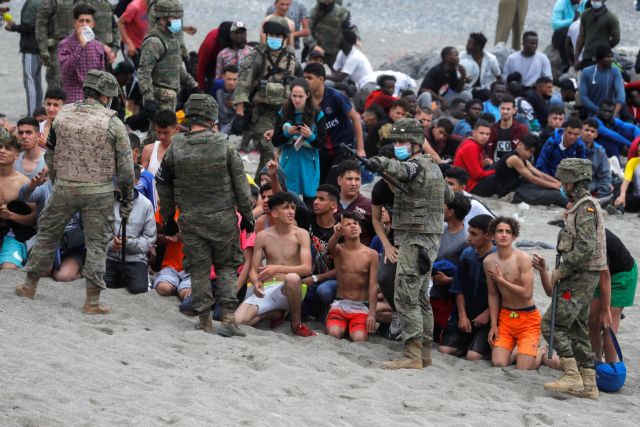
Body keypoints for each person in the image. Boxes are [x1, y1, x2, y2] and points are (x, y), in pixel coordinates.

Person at [16, 70, 135, 314]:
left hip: (64, 187)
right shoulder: (113, 122)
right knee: (97, 245)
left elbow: (51, 151)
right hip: (99, 192)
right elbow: (125, 168)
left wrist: (58, 181)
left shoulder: (63, 115)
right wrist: (126, 200)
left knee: (48, 236)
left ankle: (29, 285)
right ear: (105, 96)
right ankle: (91, 301)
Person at [156, 94, 254, 337]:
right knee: (227, 267)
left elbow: (163, 183)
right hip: (223, 218)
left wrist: (169, 219)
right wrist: (248, 216)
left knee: (199, 268)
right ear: (211, 117)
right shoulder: (224, 144)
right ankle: (229, 318)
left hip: (191, 218)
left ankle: (204, 320)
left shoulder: (176, 146)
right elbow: (241, 184)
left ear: (189, 117)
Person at [366, 118, 454, 369]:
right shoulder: (434, 167)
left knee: (405, 296)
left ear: (416, 143)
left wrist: (380, 163)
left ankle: (412, 353)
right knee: (420, 298)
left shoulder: (415, 166)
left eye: (402, 141)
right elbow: (449, 196)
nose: (397, 145)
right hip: (429, 239)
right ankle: (424, 352)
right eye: (395, 141)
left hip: (415, 239)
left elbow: (404, 171)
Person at [542, 158, 606, 399]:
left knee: (551, 324)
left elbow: (585, 248)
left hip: (579, 275)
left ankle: (571, 374)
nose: (561, 185)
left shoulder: (585, 208)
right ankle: (589, 383)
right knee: (578, 327)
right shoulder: (580, 205)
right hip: (583, 275)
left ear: (570, 181)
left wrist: (563, 270)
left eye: (563, 181)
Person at [235, 191, 317, 337]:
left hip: (291, 290)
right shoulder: (263, 236)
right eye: (286, 208)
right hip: (267, 287)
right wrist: (255, 282)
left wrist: (277, 268)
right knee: (238, 320)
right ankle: (273, 314)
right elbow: (254, 270)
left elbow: (306, 268)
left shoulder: (301, 234)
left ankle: (296, 324)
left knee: (292, 277)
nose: (291, 211)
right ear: (274, 213)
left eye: (292, 207)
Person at [232, 15, 297, 179]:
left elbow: (294, 84)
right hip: (260, 113)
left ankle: (261, 186)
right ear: (266, 35)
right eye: (271, 35)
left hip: (282, 113)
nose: (274, 39)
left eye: (278, 36)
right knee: (269, 150)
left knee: (273, 155)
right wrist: (239, 114)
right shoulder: (256, 55)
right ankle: (264, 187)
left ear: (284, 37)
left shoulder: (290, 56)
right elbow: (243, 84)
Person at [138, 0, 200, 144]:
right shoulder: (154, 41)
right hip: (158, 98)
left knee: (162, 140)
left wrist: (193, 85)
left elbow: (177, 67)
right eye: (174, 18)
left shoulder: (172, 39)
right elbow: (144, 72)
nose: (178, 22)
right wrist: (148, 98)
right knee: (158, 140)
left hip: (170, 98)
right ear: (162, 17)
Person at [485, 217, 540, 370]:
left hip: (528, 318)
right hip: (506, 317)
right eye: (500, 231)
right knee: (498, 363)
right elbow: (493, 294)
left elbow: (527, 294)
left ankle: (539, 352)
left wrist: (501, 281)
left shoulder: (523, 259)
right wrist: (493, 324)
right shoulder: (489, 261)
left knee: (524, 368)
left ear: (514, 236)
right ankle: (520, 351)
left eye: (508, 232)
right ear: (493, 236)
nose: (503, 235)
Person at [438, 214, 495, 361]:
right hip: (466, 315)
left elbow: (502, 295)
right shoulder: (467, 254)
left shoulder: (497, 258)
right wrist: (462, 316)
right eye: (469, 232)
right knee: (445, 349)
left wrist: (487, 314)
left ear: (489, 235)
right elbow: (458, 288)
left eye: (474, 234)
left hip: (488, 319)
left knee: (473, 356)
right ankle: (468, 342)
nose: (469, 237)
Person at [303, 62, 365, 185]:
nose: (306, 81)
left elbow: (356, 118)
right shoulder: (304, 99)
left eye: (309, 78)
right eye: (304, 78)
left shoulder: (335, 97)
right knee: (318, 187)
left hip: (343, 149)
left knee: (331, 186)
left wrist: (360, 149)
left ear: (321, 79)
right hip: (322, 150)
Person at [36, 0, 119, 89]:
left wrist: (112, 49)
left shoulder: (95, 4)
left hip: (84, 48)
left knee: (89, 83)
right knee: (57, 84)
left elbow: (93, 28)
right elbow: (41, 23)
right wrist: (43, 50)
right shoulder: (53, 2)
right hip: (59, 48)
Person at [272, 78, 326, 203]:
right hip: (289, 162)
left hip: (309, 163)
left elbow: (322, 143)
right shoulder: (284, 112)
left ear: (307, 95)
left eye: (300, 96)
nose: (297, 100)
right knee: (288, 201)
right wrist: (288, 133)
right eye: (294, 96)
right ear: (290, 95)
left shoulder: (317, 114)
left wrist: (310, 135)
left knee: (310, 201)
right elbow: (275, 141)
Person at [326, 211, 378, 341]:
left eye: (355, 223)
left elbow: (373, 286)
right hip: (340, 304)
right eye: (348, 224)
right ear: (342, 230)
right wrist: (336, 234)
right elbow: (329, 248)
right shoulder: (338, 250)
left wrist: (372, 314)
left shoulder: (371, 254)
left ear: (360, 229)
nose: (353, 226)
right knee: (334, 333)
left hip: (361, 306)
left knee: (359, 338)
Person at [104, 168, 156, 295]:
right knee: (103, 286)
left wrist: (129, 243)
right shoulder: (106, 201)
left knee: (139, 289)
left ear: (136, 181)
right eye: (117, 177)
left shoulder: (146, 205)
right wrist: (112, 244)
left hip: (135, 259)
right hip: (110, 257)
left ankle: (145, 274)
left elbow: (150, 238)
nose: (118, 182)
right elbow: (99, 233)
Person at [589, 229, 637, 363]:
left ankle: (611, 368)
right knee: (592, 321)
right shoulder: (572, 233)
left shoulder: (597, 238)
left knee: (608, 327)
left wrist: (605, 310)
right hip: (601, 273)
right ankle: (595, 363)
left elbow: (605, 277)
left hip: (623, 275)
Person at [431, 192, 471, 342]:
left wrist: (447, 280)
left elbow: (467, 275)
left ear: (451, 211)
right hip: (434, 288)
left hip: (451, 296)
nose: (439, 208)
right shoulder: (441, 230)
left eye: (443, 205)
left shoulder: (465, 239)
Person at [296, 183, 338, 317]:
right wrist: (274, 176)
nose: (316, 202)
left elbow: (342, 268)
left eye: (321, 199)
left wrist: (315, 278)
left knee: (323, 292)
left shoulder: (339, 231)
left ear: (333, 205)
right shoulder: (306, 218)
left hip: (328, 280)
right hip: (305, 278)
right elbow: (282, 199)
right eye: (315, 198)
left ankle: (324, 308)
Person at [494, 134, 567, 207]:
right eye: (526, 149)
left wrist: (558, 183)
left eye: (531, 152)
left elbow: (540, 174)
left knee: (554, 189)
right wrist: (556, 186)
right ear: (519, 144)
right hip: (510, 195)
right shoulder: (514, 158)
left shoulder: (522, 158)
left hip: (519, 188)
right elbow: (533, 179)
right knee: (556, 195)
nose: (527, 154)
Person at [58, 4, 108, 104]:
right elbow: (66, 71)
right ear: (75, 23)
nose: (85, 25)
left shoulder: (98, 46)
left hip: (93, 99)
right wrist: (80, 46)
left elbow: (101, 75)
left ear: (93, 24)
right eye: (81, 21)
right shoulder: (65, 44)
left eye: (88, 21)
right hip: (73, 98)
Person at [3, 0, 43, 116]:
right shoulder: (41, 2)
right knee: (37, 82)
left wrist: (13, 27)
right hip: (40, 47)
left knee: (30, 82)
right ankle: (38, 112)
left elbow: (27, 27)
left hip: (30, 48)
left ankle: (31, 114)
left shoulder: (31, 4)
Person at [0, 131, 31, 270]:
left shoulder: (23, 183)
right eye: (0, 147)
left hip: (12, 235)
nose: (2, 151)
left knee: (8, 268)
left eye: (7, 148)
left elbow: (34, 219)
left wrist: (10, 215)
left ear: (17, 155)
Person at [578, 45, 626, 117]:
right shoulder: (586, 72)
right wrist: (598, 111)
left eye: (611, 56)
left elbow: (621, 95)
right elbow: (583, 96)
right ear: (599, 58)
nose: (611, 59)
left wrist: (614, 113)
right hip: (593, 115)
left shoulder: (615, 71)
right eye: (608, 57)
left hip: (611, 115)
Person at [335, 160, 374, 246]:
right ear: (339, 180)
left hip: (361, 258)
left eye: (357, 179)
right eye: (349, 179)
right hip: (331, 255)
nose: (353, 183)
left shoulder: (370, 206)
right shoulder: (329, 202)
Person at [453, 120, 496, 196]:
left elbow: (470, 167)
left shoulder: (472, 143)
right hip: (468, 186)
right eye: (481, 133)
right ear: (474, 132)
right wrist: (494, 171)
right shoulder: (471, 146)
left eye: (487, 134)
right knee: (499, 173)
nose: (484, 136)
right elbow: (477, 175)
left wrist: (482, 164)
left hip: (468, 182)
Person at [305, 0, 352, 67]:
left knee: (338, 73)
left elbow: (350, 27)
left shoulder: (342, 12)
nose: (327, 4)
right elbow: (307, 32)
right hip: (317, 51)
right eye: (324, 2)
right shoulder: (314, 11)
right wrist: (313, 45)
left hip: (335, 52)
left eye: (329, 1)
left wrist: (355, 39)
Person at [574, 0, 620, 69]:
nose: (595, 1)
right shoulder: (585, 15)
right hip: (587, 57)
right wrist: (576, 58)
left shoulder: (611, 18)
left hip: (602, 59)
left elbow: (616, 39)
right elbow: (581, 37)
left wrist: (604, 50)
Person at [486, 95, 529, 162]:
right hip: (494, 168)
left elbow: (528, 151)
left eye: (508, 109)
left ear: (514, 110)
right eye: (503, 108)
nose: (505, 112)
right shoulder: (491, 129)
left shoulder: (522, 130)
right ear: (499, 109)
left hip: (516, 167)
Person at [460, 32, 501, 100]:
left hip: (485, 90)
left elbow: (498, 76)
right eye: (467, 43)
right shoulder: (463, 56)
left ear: (478, 47)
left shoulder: (491, 59)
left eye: (469, 44)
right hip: (467, 89)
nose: (466, 46)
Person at [581, 118, 612, 201]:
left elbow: (605, 176)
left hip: (592, 188)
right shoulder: (572, 146)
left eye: (592, 131)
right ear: (581, 131)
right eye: (586, 130)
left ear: (596, 134)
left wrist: (601, 195)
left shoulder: (600, 151)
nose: (589, 133)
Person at [141, 109, 178, 176]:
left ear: (177, 129)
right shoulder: (149, 150)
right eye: (158, 132)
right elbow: (142, 181)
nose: (162, 137)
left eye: (166, 133)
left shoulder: (183, 151)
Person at [551, 0, 585, 71]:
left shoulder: (585, 3)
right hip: (564, 34)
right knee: (564, 32)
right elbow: (555, 24)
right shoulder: (561, 3)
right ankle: (565, 63)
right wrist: (572, 21)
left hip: (581, 32)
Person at [117, 0, 148, 67]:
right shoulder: (134, 7)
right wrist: (129, 43)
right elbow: (120, 23)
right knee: (135, 74)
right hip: (133, 47)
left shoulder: (153, 6)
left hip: (146, 45)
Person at [213, 65, 239, 135]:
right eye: (229, 79)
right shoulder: (215, 86)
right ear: (223, 76)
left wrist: (235, 105)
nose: (231, 83)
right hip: (219, 121)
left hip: (234, 122)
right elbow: (210, 108)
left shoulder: (241, 90)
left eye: (234, 79)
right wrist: (215, 124)